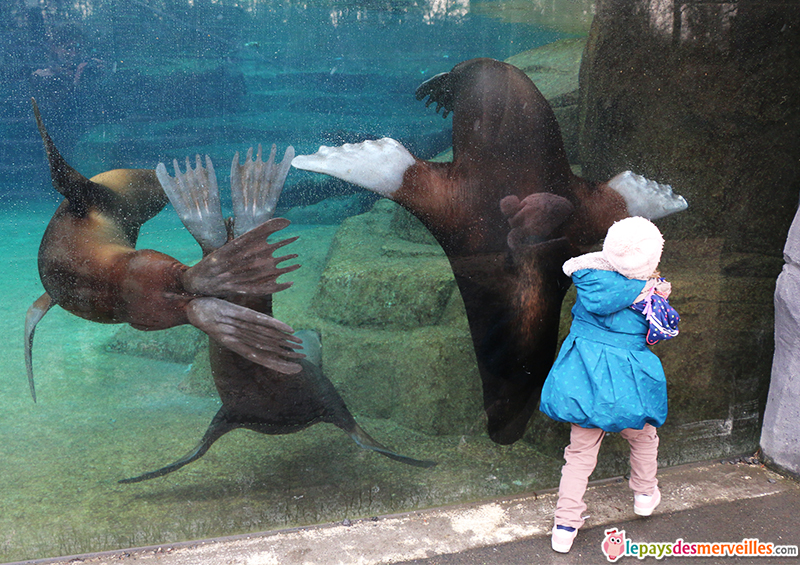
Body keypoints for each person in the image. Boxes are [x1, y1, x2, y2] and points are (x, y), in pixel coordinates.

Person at [538, 216, 679, 553]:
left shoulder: (587, 280)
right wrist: (656, 293)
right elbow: (658, 335)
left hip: (584, 384)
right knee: (644, 436)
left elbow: (587, 267)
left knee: (579, 454)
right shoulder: (652, 300)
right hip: (629, 388)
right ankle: (644, 494)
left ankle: (565, 525)